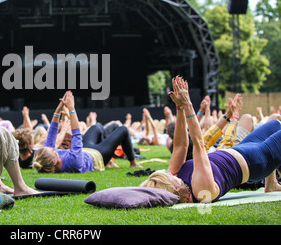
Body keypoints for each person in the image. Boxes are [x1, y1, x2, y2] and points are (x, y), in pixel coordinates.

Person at [140, 76, 281, 203]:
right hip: (255, 160)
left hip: (240, 150)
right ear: (176, 189)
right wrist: (188, 104)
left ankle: (271, 183)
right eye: (168, 177)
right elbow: (198, 143)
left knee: (275, 124)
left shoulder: (177, 178)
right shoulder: (201, 191)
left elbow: (180, 146)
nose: (169, 173)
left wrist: (180, 107)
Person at [32, 91, 142, 173]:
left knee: (97, 127)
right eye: (54, 152)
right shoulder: (73, 162)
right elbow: (76, 133)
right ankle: (133, 162)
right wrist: (71, 108)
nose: (55, 149)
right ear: (54, 161)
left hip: (86, 150)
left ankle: (110, 162)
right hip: (98, 156)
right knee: (123, 130)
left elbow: (52, 133)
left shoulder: (49, 156)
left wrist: (58, 110)